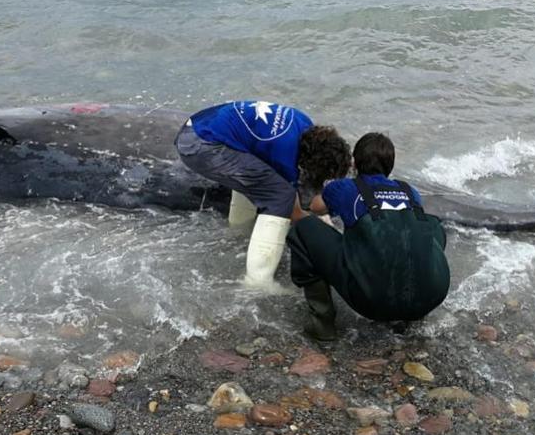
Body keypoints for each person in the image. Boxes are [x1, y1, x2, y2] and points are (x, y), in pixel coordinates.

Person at [287, 132, 451, 340]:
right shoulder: (410, 191)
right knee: (431, 227)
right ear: (390, 166)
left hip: (372, 303)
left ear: (354, 164)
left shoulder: (345, 188)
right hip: (430, 299)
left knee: (304, 228)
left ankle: (322, 321)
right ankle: (410, 315)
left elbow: (315, 207)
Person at [175, 100, 350, 291]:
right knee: (280, 196)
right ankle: (258, 281)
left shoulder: (304, 123)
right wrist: (324, 230)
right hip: (200, 144)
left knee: (260, 178)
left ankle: (239, 231)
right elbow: (295, 205)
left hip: (199, 125)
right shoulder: (284, 152)